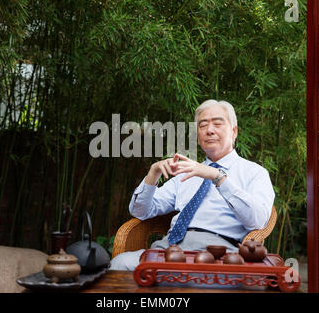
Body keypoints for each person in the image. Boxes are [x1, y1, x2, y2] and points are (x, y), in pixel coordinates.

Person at [110, 99, 275, 270]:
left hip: (218, 254)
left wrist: (217, 177)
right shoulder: (185, 171)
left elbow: (258, 220)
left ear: (234, 132)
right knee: (120, 264)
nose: (209, 130)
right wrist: (153, 174)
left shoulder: (255, 173)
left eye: (217, 123)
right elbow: (140, 211)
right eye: (203, 126)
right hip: (168, 249)